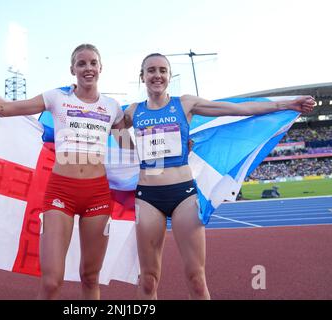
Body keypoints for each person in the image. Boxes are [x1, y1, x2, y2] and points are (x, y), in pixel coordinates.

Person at [123, 53, 315, 299]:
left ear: (170, 76)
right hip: (148, 196)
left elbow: (238, 109)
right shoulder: (132, 111)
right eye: (151, 70)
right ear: (142, 77)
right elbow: (103, 132)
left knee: (196, 278)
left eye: (162, 70)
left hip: (182, 194)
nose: (157, 75)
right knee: (148, 281)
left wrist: (285, 104)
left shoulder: (185, 104)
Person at [0, 44, 126, 300]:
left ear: (101, 68)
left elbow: (130, 148)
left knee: (90, 278)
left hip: (97, 195)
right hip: (61, 192)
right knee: (51, 282)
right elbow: (5, 109)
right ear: (72, 69)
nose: (88, 68)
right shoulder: (57, 97)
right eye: (81, 63)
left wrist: (180, 144)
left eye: (93, 63)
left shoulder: (112, 107)